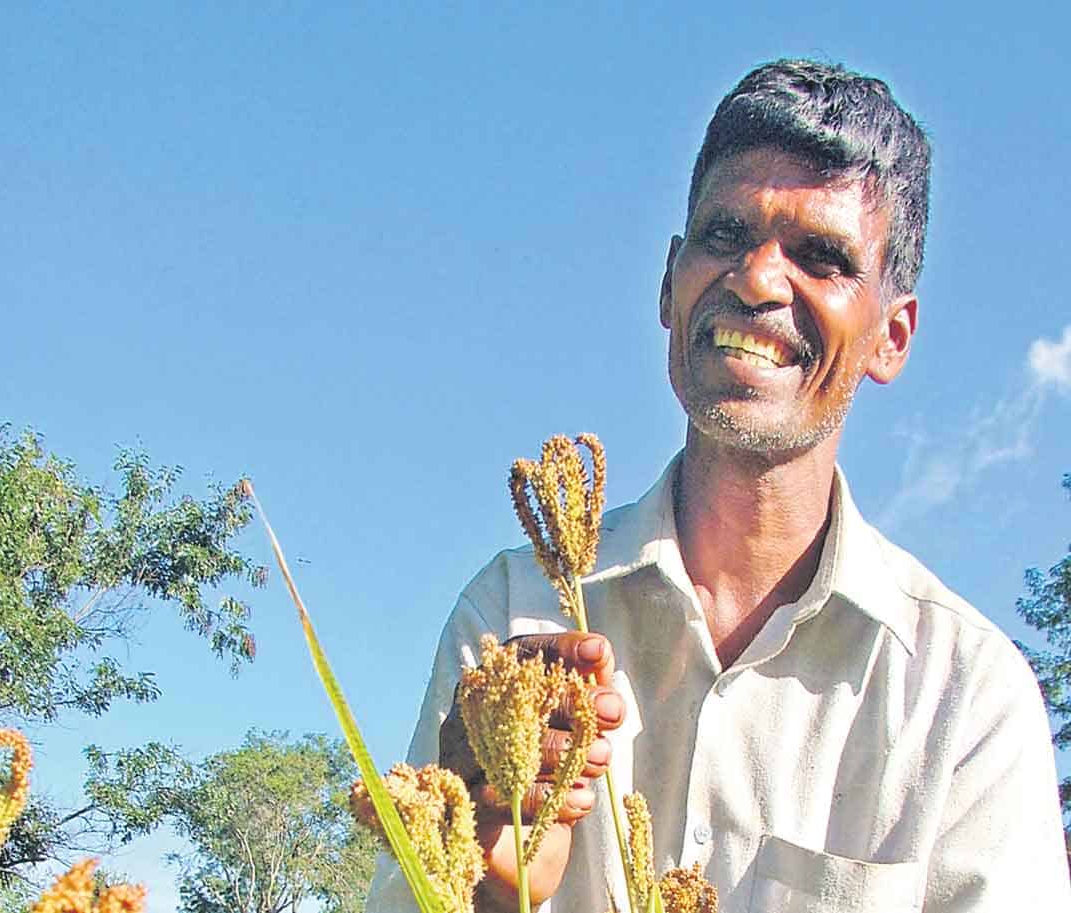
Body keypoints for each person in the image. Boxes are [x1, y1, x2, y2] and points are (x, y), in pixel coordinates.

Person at [366, 59, 1071, 912]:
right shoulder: (514, 622)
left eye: (822, 256)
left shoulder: (967, 701)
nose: (758, 278)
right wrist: (477, 885)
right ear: (669, 283)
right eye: (725, 235)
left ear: (891, 335)